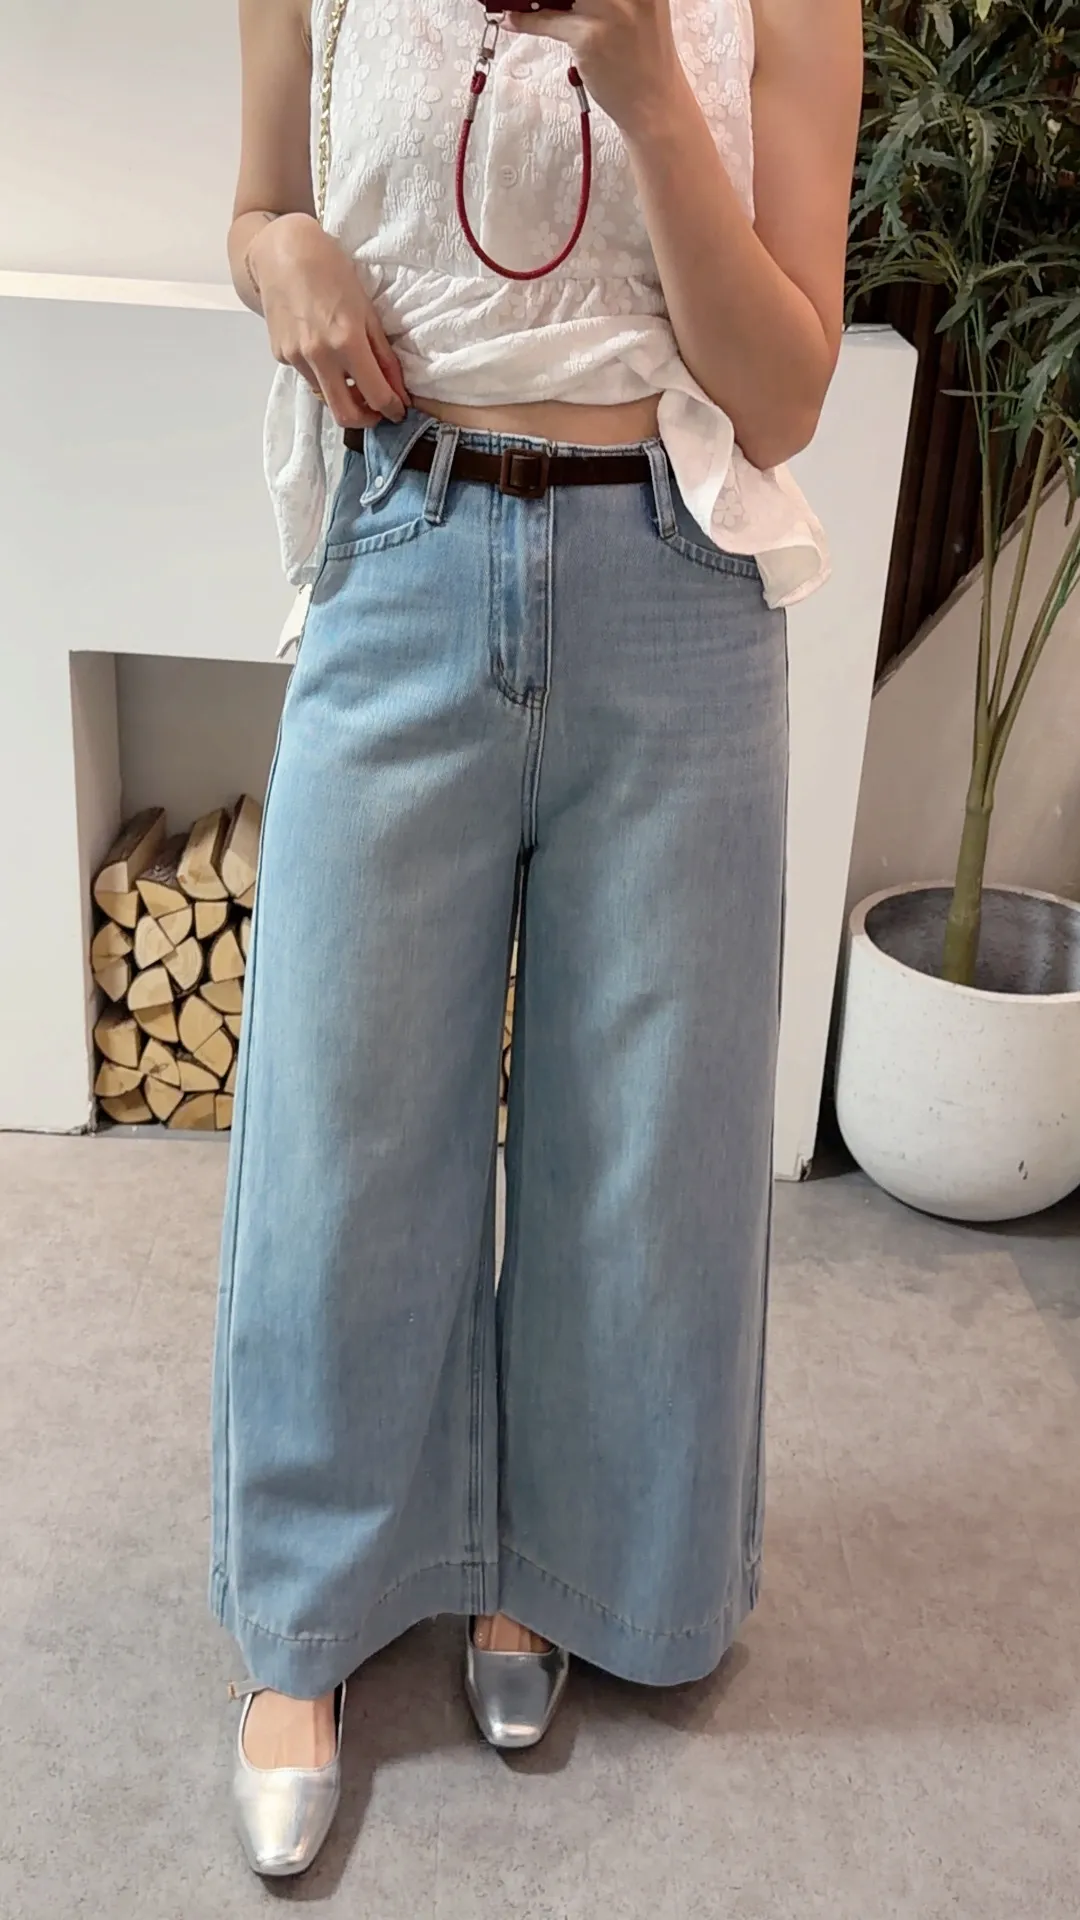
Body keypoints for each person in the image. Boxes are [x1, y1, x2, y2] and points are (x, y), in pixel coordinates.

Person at [212, 0, 862, 1878]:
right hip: (405, 547)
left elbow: (784, 397)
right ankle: (310, 1620)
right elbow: (253, 211)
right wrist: (285, 258)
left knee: (644, 1150)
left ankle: (555, 1569)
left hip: (675, 586)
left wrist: (649, 83)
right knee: (338, 1140)